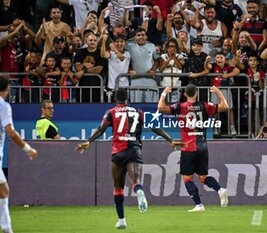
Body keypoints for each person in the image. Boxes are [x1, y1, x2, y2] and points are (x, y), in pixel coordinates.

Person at [75, 88, 184, 229]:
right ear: (128, 99)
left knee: (118, 187)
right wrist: (170, 140)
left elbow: (101, 129)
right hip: (134, 150)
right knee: (135, 182)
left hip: (118, 153)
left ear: (115, 99)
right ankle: (139, 192)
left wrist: (88, 141)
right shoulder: (138, 112)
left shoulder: (111, 112)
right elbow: (154, 126)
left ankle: (121, 220)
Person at [158, 84, 229, 212]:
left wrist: (164, 93)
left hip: (188, 148)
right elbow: (225, 107)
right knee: (202, 177)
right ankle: (220, 189)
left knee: (187, 178)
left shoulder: (180, 107)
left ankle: (199, 205)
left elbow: (161, 108)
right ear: (196, 93)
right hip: (202, 147)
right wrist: (218, 92)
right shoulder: (205, 106)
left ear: (185, 94)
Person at [0, 76, 38, 233]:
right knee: (4, 191)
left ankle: (7, 228)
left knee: (3, 190)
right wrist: (27, 148)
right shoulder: (3, 106)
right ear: (7, 88)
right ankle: (8, 229)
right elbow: (10, 132)